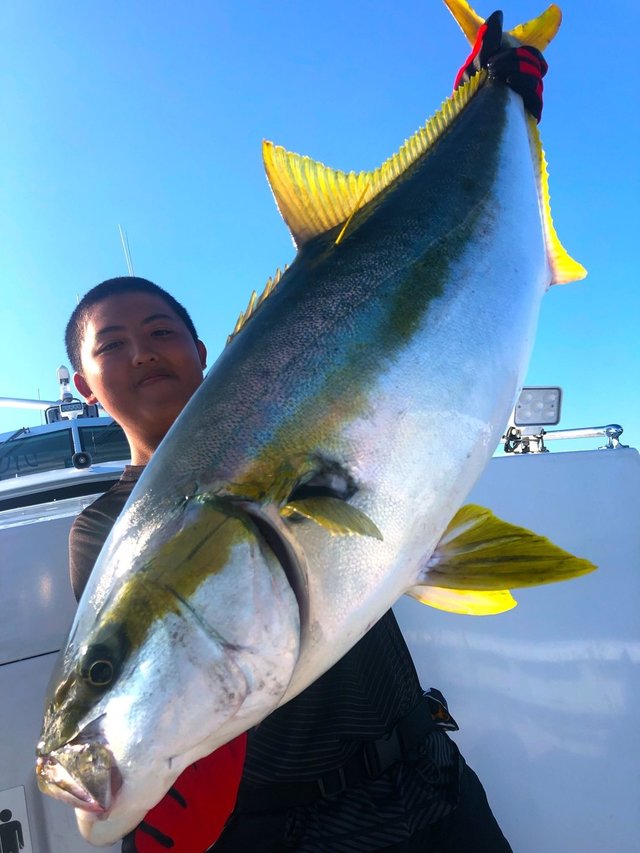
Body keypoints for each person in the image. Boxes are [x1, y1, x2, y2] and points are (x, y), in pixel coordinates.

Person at [66, 17, 547, 852]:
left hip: (425, 779)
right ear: (84, 384)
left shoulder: (293, 384)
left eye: (159, 330)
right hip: (281, 829)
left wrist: (491, 102)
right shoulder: (106, 531)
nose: (141, 351)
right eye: (111, 345)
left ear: (202, 349)